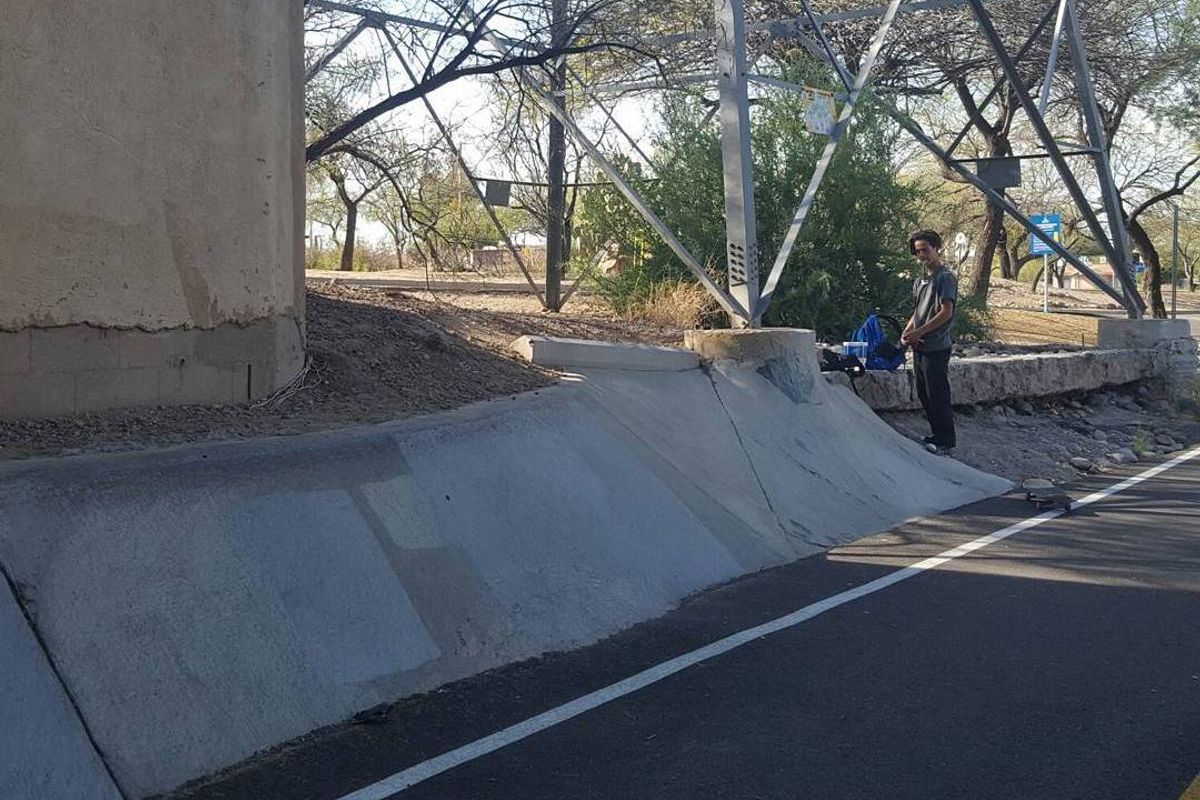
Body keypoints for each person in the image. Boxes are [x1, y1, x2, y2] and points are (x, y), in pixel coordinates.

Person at [900, 230, 957, 455]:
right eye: (918, 251)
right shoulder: (920, 281)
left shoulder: (945, 278)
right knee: (924, 392)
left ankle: (946, 439)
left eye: (925, 250)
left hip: (937, 344)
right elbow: (919, 310)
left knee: (938, 393)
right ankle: (936, 433)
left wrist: (921, 331)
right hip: (919, 345)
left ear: (936, 248)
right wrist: (907, 332)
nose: (921, 255)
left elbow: (945, 312)